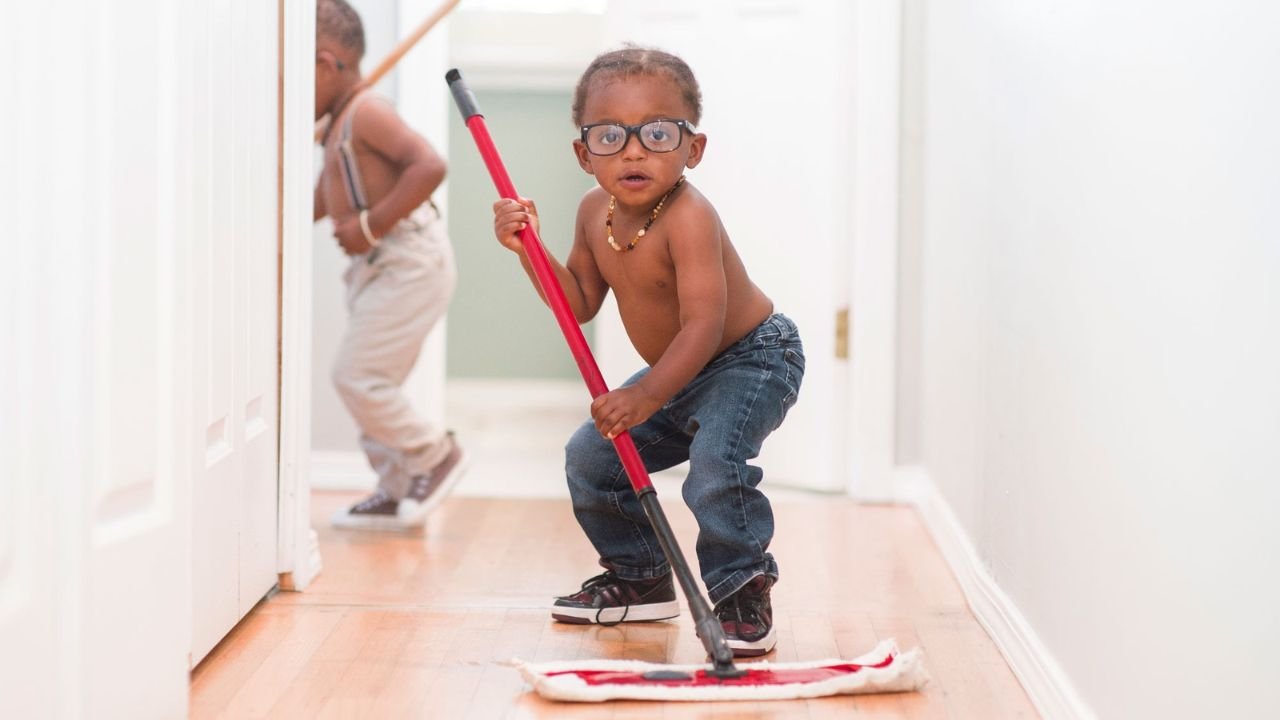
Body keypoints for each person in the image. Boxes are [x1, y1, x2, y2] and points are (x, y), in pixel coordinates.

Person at [491, 46, 805, 657]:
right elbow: (578, 302)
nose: (634, 150)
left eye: (658, 133)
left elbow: (704, 326)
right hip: (679, 371)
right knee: (592, 457)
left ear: (693, 148)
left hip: (750, 357)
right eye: (609, 136)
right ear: (584, 154)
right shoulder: (593, 213)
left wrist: (645, 394)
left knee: (716, 464)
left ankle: (741, 588)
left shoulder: (690, 217)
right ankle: (641, 577)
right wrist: (528, 249)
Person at [315, 0, 465, 531]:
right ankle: (395, 482)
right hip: (375, 267)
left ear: (326, 63)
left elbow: (430, 164)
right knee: (373, 379)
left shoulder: (366, 112)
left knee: (357, 376)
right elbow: (321, 200)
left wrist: (368, 225)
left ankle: (432, 455)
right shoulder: (338, 123)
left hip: (407, 258)